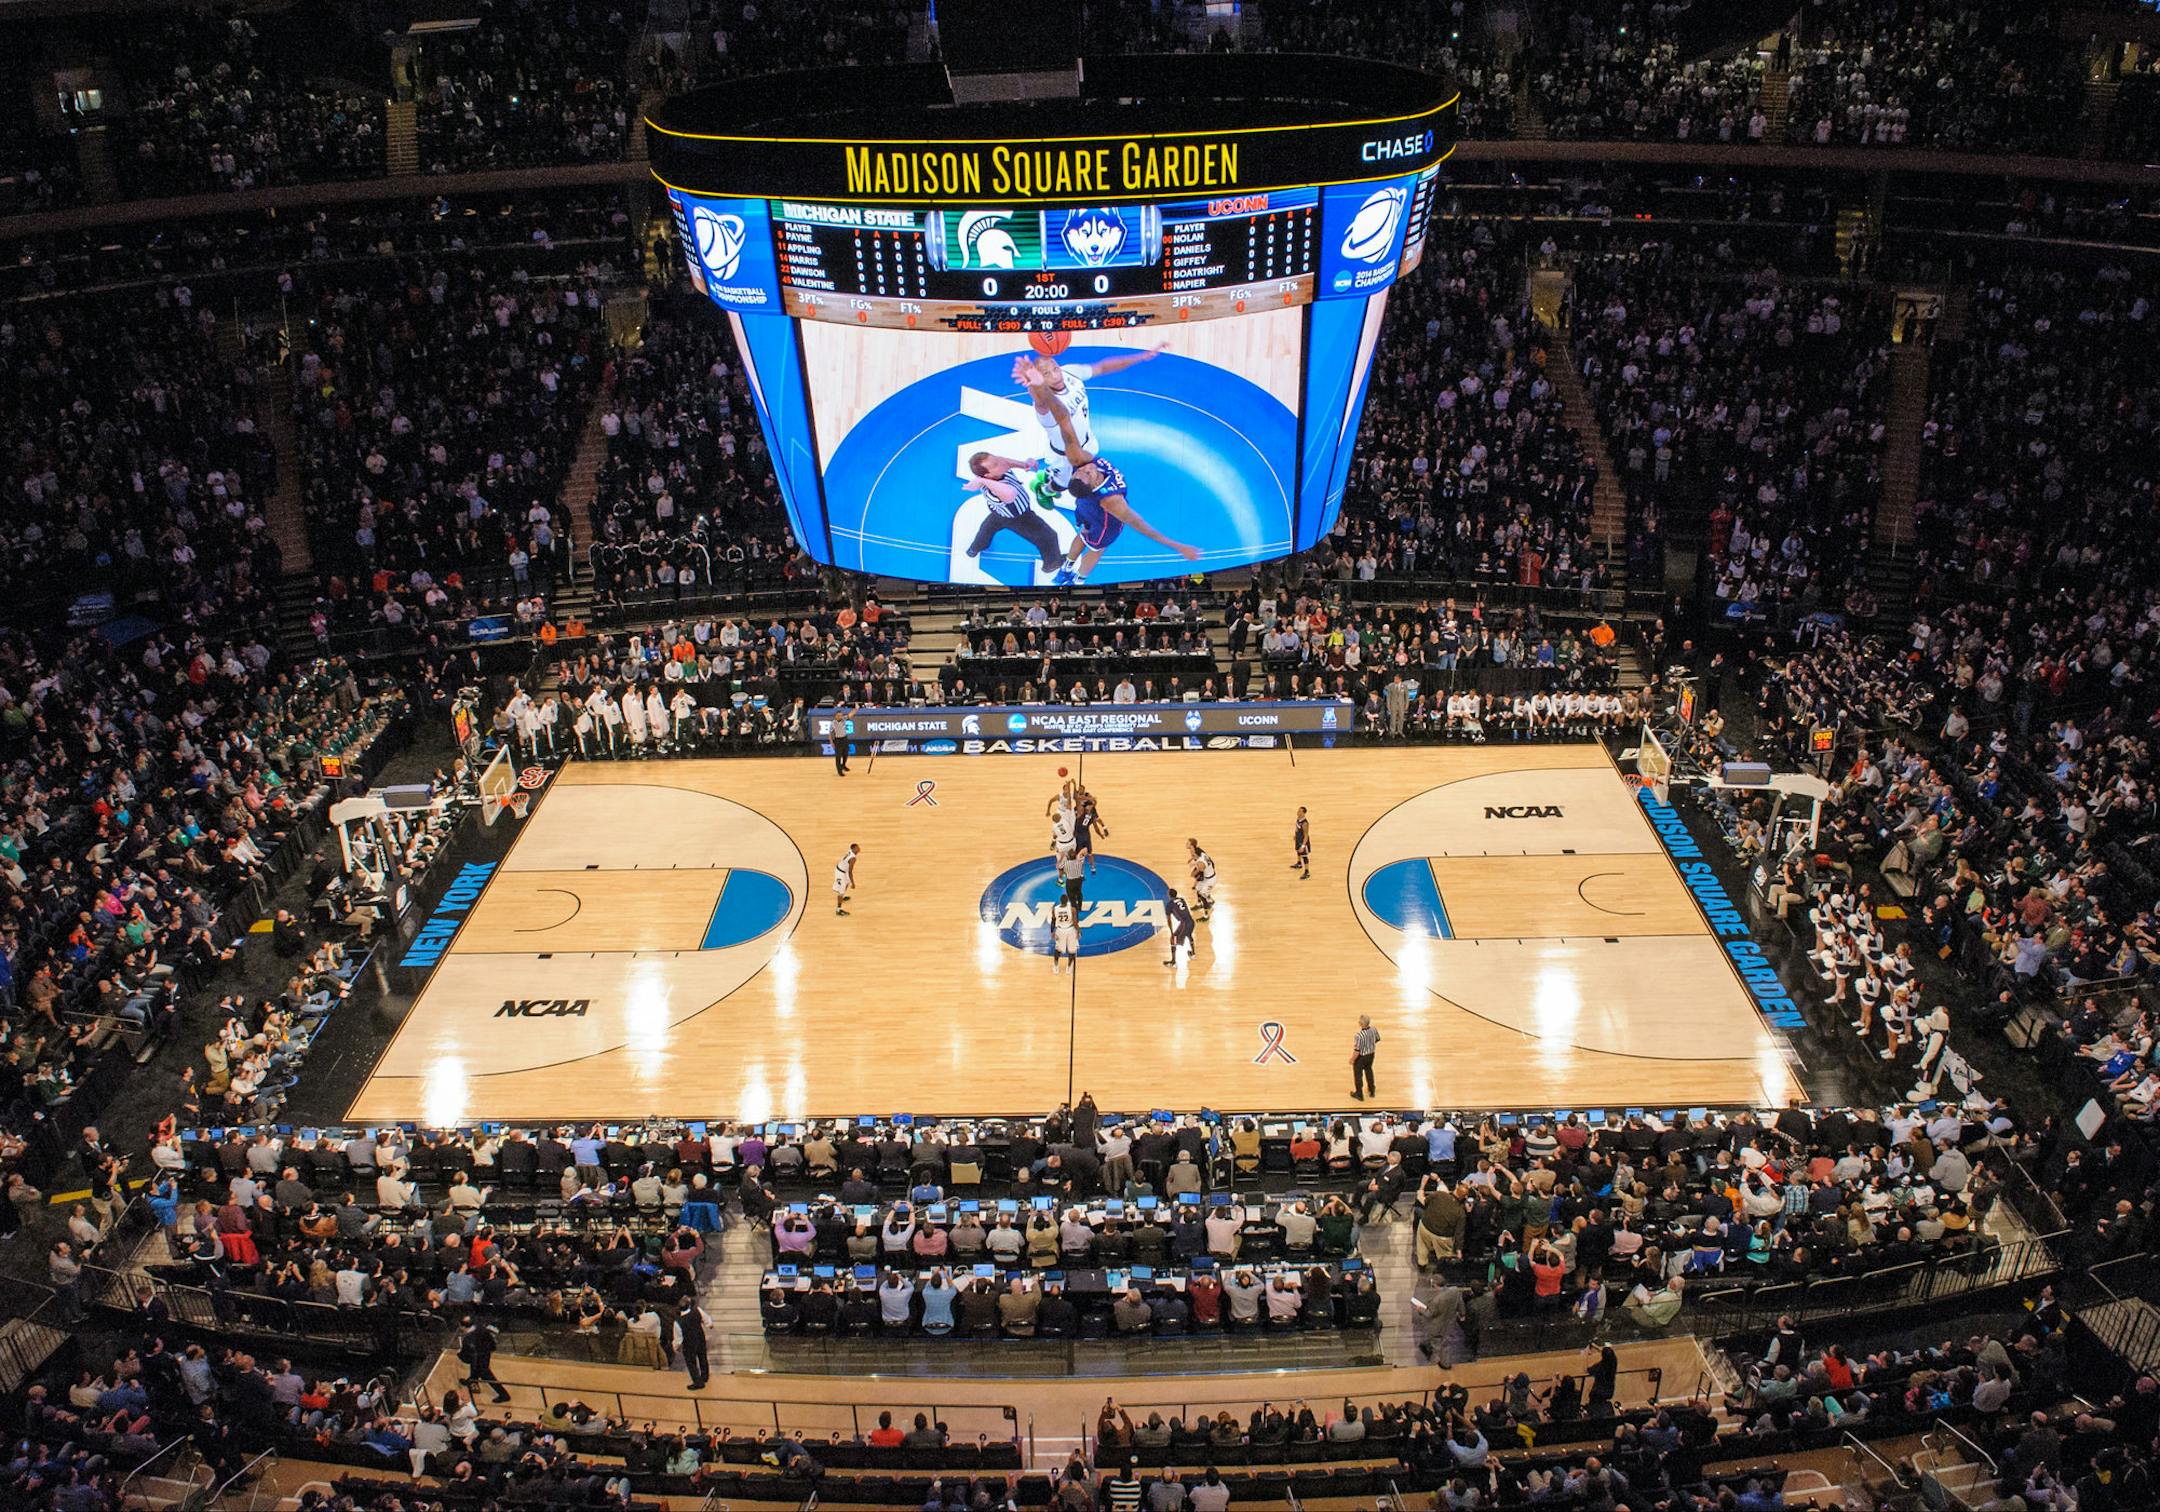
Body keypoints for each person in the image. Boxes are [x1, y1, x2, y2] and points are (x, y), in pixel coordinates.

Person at [1018, 357, 1200, 585]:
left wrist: (1039, 384)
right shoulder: (1112, 502)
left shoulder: (1079, 459)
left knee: (1082, 534)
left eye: (1081, 471)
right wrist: (1177, 546)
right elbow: (1141, 526)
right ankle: (1079, 579)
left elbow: (1064, 419)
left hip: (1084, 505)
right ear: (1092, 483)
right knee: (1096, 548)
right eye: (1086, 473)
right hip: (1103, 520)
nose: (1087, 468)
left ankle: (1066, 567)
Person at [458, 1315, 511, 1403]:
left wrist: (459, 1353)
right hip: (485, 1353)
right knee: (475, 1370)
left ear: (463, 1327)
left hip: (478, 1358)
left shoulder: (468, 1340)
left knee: (486, 1375)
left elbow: (466, 1357)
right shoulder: (479, 1327)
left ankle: (504, 1395)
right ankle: (470, 1381)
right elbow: (490, 1339)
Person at [677, 1298, 711, 1389]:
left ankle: (698, 1382)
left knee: (691, 1363)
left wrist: (676, 1347)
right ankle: (705, 1376)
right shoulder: (697, 1310)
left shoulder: (679, 1321)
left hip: (689, 1343)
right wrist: (709, 1325)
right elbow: (706, 1319)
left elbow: (678, 1337)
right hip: (700, 1338)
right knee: (702, 1357)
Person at [1164, 889, 1196, 968]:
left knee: (1173, 940)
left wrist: (1171, 932)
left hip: (1184, 924)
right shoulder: (1181, 899)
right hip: (1191, 921)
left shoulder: (1169, 905)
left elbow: (1169, 920)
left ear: (1169, 895)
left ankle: (1173, 962)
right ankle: (1193, 954)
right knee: (1189, 935)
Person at [1350, 1014, 1379, 1101]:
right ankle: (1372, 1090)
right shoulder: (1374, 1030)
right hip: (1371, 1054)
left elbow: (1357, 1050)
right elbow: (1377, 1039)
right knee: (1369, 1070)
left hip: (1361, 1057)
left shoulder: (1359, 1036)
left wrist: (1352, 1059)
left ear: (1361, 1024)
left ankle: (1359, 1094)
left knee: (1358, 1075)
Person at [1187, 839, 1217, 920]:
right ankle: (1199, 903)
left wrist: (1193, 873)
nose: (1192, 857)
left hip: (1210, 880)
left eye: (1193, 856)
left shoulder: (1200, 863)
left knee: (1203, 896)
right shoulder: (1202, 854)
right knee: (1198, 889)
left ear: (1196, 855)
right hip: (1207, 876)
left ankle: (1206, 915)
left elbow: (1197, 872)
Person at [1052, 894, 1080, 974]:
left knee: (1058, 950)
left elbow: (1053, 921)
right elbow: (1075, 922)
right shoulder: (1072, 909)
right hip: (1070, 930)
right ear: (1067, 900)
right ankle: (1069, 966)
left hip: (1060, 930)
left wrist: (1052, 932)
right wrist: (1078, 930)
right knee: (1072, 950)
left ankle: (1056, 965)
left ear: (1060, 901)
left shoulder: (1055, 909)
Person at [835, 843, 860, 917]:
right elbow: (850, 872)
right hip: (840, 872)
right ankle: (838, 910)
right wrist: (853, 883)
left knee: (847, 882)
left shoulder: (850, 851)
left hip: (842, 870)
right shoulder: (853, 858)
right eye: (857, 848)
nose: (859, 849)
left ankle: (842, 898)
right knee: (841, 891)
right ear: (854, 849)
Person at [1292, 806, 1311, 880]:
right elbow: (1297, 828)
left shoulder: (1305, 823)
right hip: (1298, 839)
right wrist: (1295, 835)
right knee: (1298, 851)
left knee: (1304, 856)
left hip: (1303, 842)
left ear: (1303, 813)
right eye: (1298, 811)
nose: (1298, 812)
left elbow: (1306, 836)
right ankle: (1299, 863)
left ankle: (1307, 872)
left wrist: (1303, 846)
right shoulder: (1298, 819)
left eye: (1300, 811)